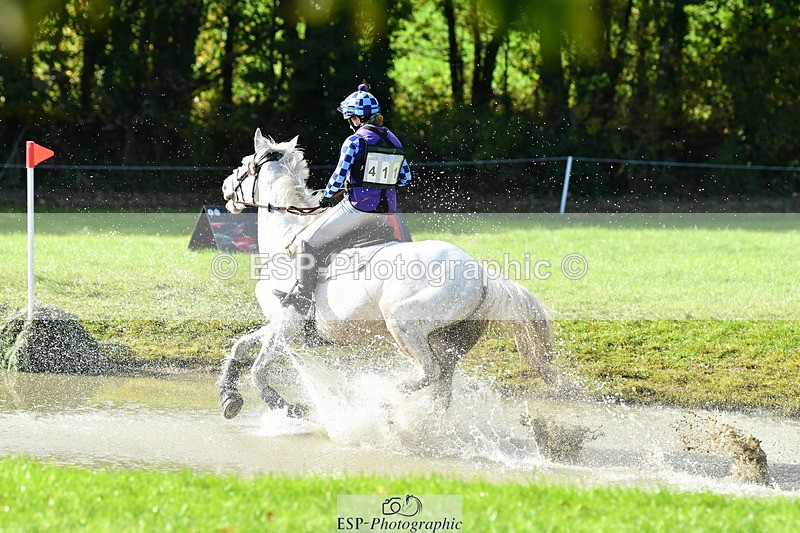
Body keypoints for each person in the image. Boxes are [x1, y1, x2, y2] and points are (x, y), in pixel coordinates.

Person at [273, 83, 412, 314]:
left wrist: (327, 197)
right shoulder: (393, 140)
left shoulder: (355, 141)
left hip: (358, 208)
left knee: (306, 241)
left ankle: (303, 297)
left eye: (350, 119)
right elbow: (405, 178)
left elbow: (338, 176)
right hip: (387, 211)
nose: (350, 123)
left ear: (357, 119)